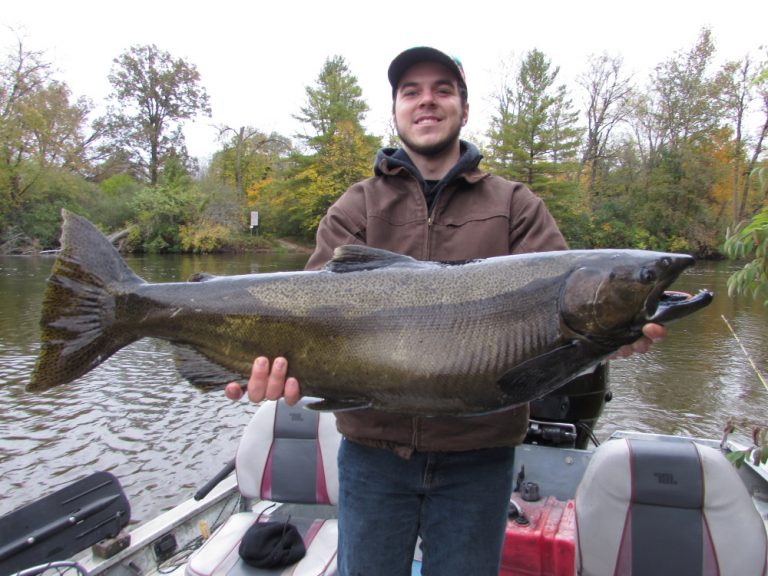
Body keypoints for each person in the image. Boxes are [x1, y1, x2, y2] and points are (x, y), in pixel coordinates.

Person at [225, 47, 666, 576]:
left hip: (480, 460)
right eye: (411, 91)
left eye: (442, 89)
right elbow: (308, 311)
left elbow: (564, 329)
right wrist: (262, 363)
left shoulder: (517, 206)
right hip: (371, 456)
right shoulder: (356, 206)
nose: (426, 101)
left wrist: (612, 336)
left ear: (464, 106)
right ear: (396, 111)